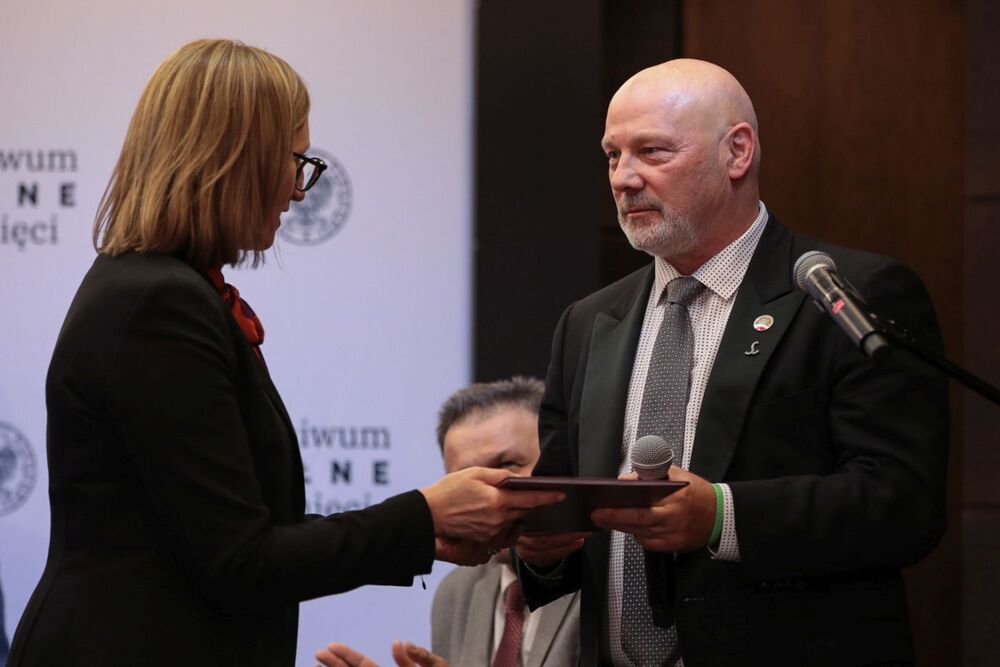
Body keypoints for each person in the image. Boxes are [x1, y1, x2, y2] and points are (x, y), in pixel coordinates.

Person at [6, 39, 558, 667]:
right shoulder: (156, 303)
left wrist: (426, 531)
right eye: (296, 160)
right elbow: (238, 558)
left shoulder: (156, 290)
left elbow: (230, 531)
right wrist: (424, 513)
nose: (298, 191)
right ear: (236, 158)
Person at [514, 59, 948, 666]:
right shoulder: (588, 322)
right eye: (613, 156)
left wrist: (723, 516)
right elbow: (565, 523)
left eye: (652, 152)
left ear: (737, 152)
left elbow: (903, 506)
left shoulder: (845, 294)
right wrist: (540, 551)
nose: (623, 178)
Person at [316, 377, 580, 667]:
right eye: (466, 481)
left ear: (559, 464)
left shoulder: (610, 581)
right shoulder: (455, 594)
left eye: (508, 465)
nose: (487, 494)